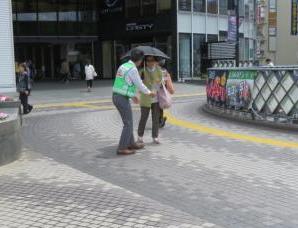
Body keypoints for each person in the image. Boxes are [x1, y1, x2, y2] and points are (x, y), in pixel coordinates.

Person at [112, 49, 155, 155]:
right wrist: (149, 93)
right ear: (140, 60)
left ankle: (131, 143)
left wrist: (132, 96)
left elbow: (124, 83)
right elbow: (139, 84)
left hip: (117, 96)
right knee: (128, 123)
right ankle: (122, 148)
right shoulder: (133, 69)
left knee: (128, 121)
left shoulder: (123, 66)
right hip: (121, 98)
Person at [137, 56, 163, 144]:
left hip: (156, 98)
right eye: (148, 61)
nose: (150, 62)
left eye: (152, 60)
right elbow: (138, 84)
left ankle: (155, 137)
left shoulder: (159, 70)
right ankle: (140, 137)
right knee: (143, 118)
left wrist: (156, 87)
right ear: (145, 62)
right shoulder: (142, 71)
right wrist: (142, 80)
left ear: (155, 61)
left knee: (155, 119)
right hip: (145, 98)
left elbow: (161, 82)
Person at [158, 59, 175, 128]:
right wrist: (171, 90)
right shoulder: (165, 71)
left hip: (157, 90)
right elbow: (168, 82)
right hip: (162, 90)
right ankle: (161, 120)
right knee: (160, 107)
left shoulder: (155, 71)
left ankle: (160, 121)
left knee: (157, 107)